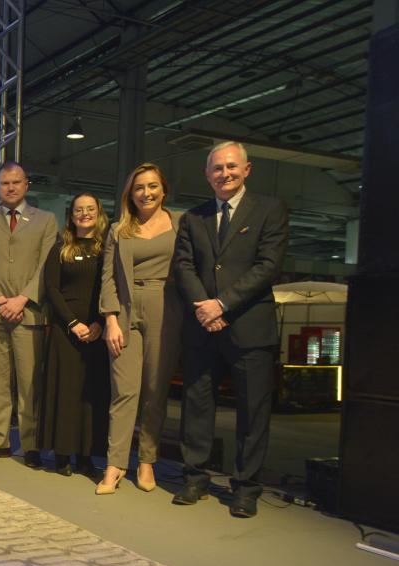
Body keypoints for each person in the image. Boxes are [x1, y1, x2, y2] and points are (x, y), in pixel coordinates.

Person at [173, 141, 288, 518]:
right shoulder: (193, 218)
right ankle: (195, 477)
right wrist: (205, 307)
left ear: (247, 169)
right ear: (207, 175)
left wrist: (221, 304)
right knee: (196, 405)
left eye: (231, 166)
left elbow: (268, 266)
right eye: (217, 168)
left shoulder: (270, 210)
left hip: (250, 327)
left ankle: (246, 488)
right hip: (202, 327)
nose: (225, 173)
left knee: (253, 411)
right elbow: (184, 267)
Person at [97, 163, 182, 495]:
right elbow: (108, 277)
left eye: (152, 186)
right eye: (139, 188)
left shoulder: (180, 224)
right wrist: (111, 319)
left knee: (155, 390)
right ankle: (115, 463)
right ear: (130, 194)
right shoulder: (119, 230)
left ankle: (147, 460)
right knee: (124, 391)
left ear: (163, 189)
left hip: (166, 308)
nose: (146, 193)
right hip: (126, 309)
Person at [0, 161, 58, 466]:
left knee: (29, 383)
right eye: (4, 183)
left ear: (26, 184)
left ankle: (31, 445)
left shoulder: (45, 221)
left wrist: (21, 300)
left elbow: (46, 266)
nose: (10, 187)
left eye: (16, 182)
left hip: (29, 314)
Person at [39, 193, 109, 477]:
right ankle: (62, 453)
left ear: (99, 213)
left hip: (97, 332)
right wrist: (73, 323)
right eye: (79, 210)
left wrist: (99, 323)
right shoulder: (60, 248)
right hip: (65, 331)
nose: (84, 214)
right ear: (72, 215)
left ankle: (86, 455)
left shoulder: (107, 249)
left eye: (90, 209)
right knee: (65, 392)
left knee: (90, 394)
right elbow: (52, 289)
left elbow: (111, 288)